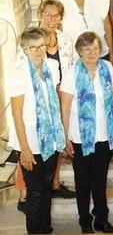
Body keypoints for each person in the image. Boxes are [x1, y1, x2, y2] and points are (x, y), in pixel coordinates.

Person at [59, 31, 113, 233]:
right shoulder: (70, 74)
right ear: (79, 51)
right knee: (83, 183)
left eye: (95, 47)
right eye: (87, 49)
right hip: (79, 137)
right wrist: (65, 137)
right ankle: (85, 222)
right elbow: (65, 107)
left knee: (100, 182)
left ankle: (101, 219)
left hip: (103, 135)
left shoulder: (108, 68)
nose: (92, 52)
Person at [8, 28, 66, 234]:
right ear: (25, 50)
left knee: (47, 189)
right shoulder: (18, 74)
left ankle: (46, 228)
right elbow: (16, 115)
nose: (39, 51)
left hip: (51, 140)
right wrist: (24, 149)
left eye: (41, 46)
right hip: (30, 142)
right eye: (33, 48)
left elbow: (55, 103)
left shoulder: (53, 65)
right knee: (34, 193)